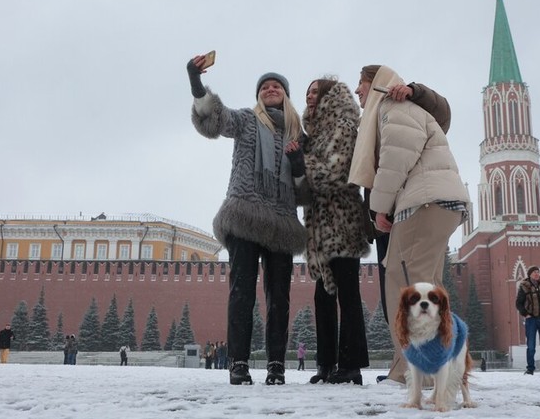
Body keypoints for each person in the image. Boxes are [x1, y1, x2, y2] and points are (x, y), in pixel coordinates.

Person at [187, 55, 306, 385]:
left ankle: (276, 366)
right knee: (241, 292)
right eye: (265, 86)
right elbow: (215, 120)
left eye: (277, 85)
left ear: (285, 94)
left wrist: (297, 163)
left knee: (279, 298)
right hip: (244, 215)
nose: (270, 89)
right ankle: (238, 363)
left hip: (281, 222)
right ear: (259, 96)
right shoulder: (246, 121)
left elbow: (306, 190)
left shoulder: (298, 135)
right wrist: (197, 83)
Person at [349, 65, 469, 386]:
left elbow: (394, 160)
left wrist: (379, 208)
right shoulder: (388, 113)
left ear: (374, 84)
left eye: (360, 84)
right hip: (438, 201)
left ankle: (419, 373)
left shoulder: (394, 107)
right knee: (425, 286)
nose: (357, 91)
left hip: (423, 202)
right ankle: (432, 369)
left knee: (406, 287)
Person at [287, 79, 371, 385]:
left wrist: (301, 162)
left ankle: (351, 365)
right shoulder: (315, 134)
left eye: (315, 91)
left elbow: (335, 173)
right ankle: (325, 364)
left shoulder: (344, 125)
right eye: (306, 91)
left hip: (342, 223)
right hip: (319, 230)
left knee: (348, 294)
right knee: (323, 296)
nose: (309, 96)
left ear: (329, 96)